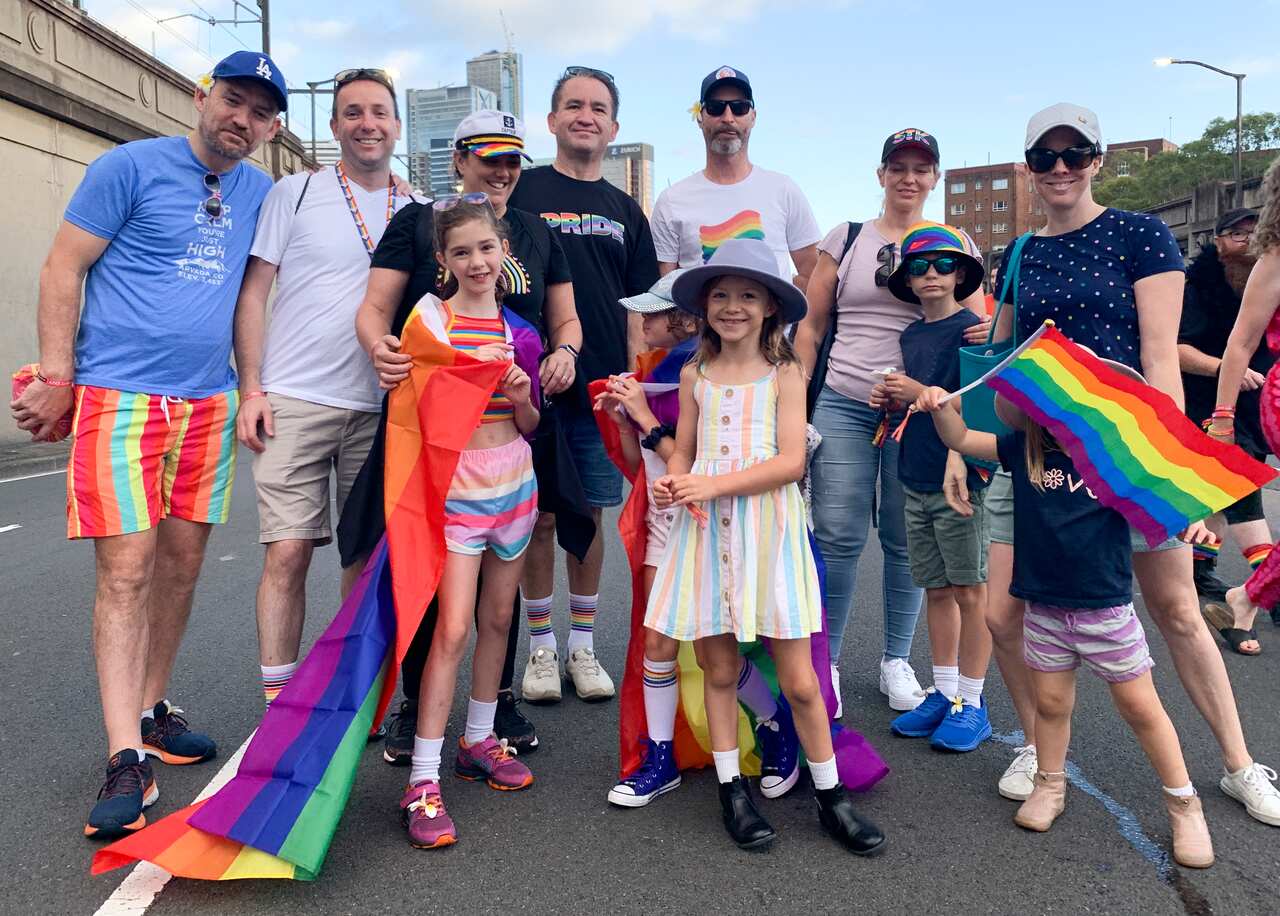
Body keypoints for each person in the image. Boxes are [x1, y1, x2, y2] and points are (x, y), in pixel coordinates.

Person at [9, 51, 287, 838]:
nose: (243, 119)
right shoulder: (128, 166)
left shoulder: (261, 194)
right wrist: (58, 373)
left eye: (261, 113)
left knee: (182, 564)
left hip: (207, 402)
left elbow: (251, 299)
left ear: (271, 129)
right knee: (125, 571)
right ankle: (122, 753)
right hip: (119, 397)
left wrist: (252, 387)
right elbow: (65, 266)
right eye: (232, 101)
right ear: (203, 97)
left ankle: (151, 708)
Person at [985, 102, 1280, 826]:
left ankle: (1240, 765)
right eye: (1044, 157)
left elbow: (1159, 359)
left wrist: (1165, 472)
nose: (1059, 168)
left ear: (1097, 159)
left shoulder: (1140, 234)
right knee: (1003, 613)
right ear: (1029, 167)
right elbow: (1011, 352)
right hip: (1037, 454)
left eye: (1074, 153)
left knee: (1176, 610)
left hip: (1125, 451)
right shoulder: (1024, 252)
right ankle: (1037, 748)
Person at [346, 109, 582, 758]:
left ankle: (491, 716)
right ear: (458, 159)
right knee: (433, 593)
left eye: (513, 158)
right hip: (436, 453)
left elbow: (563, 323)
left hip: (513, 450)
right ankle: (414, 710)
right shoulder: (415, 229)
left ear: (503, 249)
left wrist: (562, 356)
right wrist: (381, 349)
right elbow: (375, 312)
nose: (503, 168)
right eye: (488, 156)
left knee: (497, 606)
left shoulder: (534, 233)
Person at [643, 237, 885, 854]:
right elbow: (688, 454)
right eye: (720, 295)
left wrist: (711, 481)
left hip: (771, 535)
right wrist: (674, 477)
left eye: (748, 295)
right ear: (704, 305)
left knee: (801, 682)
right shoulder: (695, 373)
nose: (732, 306)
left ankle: (832, 798)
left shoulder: (786, 373)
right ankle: (732, 790)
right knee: (720, 670)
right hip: (707, 535)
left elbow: (790, 462)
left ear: (771, 307)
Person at [914, 384, 1215, 869]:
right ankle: (1049, 785)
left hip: (1105, 610)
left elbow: (1172, 494)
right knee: (1051, 704)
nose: (1060, 415)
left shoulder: (1115, 457)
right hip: (1045, 607)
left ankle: (1183, 804)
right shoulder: (1023, 449)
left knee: (1141, 707)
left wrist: (1193, 523)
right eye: (1048, 405)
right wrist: (942, 408)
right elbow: (963, 438)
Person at [233, 68, 419, 706]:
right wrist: (252, 388)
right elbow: (253, 293)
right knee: (287, 553)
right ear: (334, 124)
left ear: (396, 125)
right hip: (294, 398)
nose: (367, 124)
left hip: (380, 406)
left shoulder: (418, 209)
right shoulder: (296, 192)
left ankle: (351, 698)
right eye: (352, 113)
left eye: (378, 112)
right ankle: (276, 702)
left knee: (364, 563)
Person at [793, 128, 990, 715]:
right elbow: (811, 323)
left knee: (907, 542)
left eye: (921, 169)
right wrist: (795, 402)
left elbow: (973, 338)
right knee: (838, 532)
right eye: (898, 167)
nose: (909, 178)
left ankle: (895, 660)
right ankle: (823, 661)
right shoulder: (848, 238)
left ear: (934, 179)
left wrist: (959, 423)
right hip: (847, 400)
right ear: (880, 174)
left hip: (922, 417)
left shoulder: (955, 242)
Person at [595, 272, 802, 806]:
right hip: (671, 518)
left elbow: (699, 453)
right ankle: (658, 756)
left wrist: (643, 418)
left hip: (731, 519)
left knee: (728, 649)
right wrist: (623, 419)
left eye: (652, 313)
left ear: (685, 319)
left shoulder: (708, 370)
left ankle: (776, 724)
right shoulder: (664, 370)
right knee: (658, 641)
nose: (642, 323)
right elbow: (646, 465)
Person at [509, 67, 659, 704]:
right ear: (552, 121)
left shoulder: (626, 210)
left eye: (598, 108)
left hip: (601, 389)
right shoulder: (520, 195)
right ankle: (541, 648)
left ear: (613, 127)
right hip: (530, 386)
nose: (586, 116)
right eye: (573, 105)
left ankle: (582, 646)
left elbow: (642, 310)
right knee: (539, 517)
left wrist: (637, 387)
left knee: (591, 516)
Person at [396, 197, 541, 849]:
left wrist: (518, 395)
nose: (477, 262)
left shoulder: (522, 332)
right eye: (462, 252)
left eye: (487, 248)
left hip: (516, 481)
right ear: (442, 261)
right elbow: (412, 410)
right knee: (450, 629)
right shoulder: (430, 321)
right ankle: (422, 780)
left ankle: (478, 740)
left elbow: (533, 421)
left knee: (499, 621)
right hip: (457, 489)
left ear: (504, 249)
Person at [874, 223, 991, 752]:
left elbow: (980, 404)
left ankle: (974, 699)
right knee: (937, 589)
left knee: (971, 590)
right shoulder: (911, 335)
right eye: (919, 267)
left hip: (962, 474)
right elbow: (922, 403)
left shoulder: (976, 331)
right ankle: (944, 692)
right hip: (915, 472)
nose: (931, 275)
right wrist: (895, 398)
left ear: (963, 273)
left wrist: (919, 390)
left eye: (944, 265)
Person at [1179, 207, 1275, 650]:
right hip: (1207, 402)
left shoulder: (1269, 275)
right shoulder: (1195, 287)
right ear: (1216, 240)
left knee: (1217, 492)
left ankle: (1200, 567)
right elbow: (1173, 350)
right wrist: (1226, 373)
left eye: (1254, 234)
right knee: (1237, 482)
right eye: (1236, 234)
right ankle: (1260, 592)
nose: (1247, 242)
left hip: (1263, 404)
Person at [651, 66, 820, 285]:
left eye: (739, 108)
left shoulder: (783, 190)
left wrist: (795, 319)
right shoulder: (671, 201)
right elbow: (664, 289)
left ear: (753, 117)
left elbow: (814, 279)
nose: (728, 117)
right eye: (715, 108)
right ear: (700, 117)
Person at [1213, 157, 1280, 651]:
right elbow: (1239, 344)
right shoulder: (1275, 259)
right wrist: (1223, 417)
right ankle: (1247, 593)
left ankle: (1247, 595)